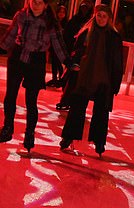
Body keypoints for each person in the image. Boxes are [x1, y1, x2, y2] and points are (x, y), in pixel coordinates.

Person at [0, 0, 68, 152]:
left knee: (31, 101)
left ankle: (29, 133)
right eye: (33, 1)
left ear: (45, 5)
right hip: (18, 57)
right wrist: (2, 47)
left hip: (36, 61)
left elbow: (58, 44)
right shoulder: (21, 16)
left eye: (39, 2)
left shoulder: (50, 22)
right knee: (10, 95)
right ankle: (7, 128)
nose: (35, 5)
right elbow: (11, 34)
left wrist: (68, 62)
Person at [58, 4, 123, 157]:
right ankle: (67, 138)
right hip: (84, 77)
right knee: (77, 109)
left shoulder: (114, 37)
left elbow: (118, 62)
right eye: (99, 15)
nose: (101, 19)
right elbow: (76, 52)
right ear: (95, 16)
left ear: (109, 19)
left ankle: (99, 143)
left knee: (101, 113)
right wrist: (73, 64)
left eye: (104, 16)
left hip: (103, 80)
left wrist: (116, 83)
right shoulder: (86, 32)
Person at [55, 0, 93, 111]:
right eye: (83, 8)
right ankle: (66, 100)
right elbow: (67, 36)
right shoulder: (77, 21)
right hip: (76, 54)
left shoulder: (90, 24)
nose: (84, 10)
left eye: (86, 8)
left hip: (82, 56)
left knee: (76, 81)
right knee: (71, 79)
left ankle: (70, 102)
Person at [46, 4, 67, 88]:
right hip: (53, 46)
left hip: (60, 47)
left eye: (63, 12)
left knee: (59, 63)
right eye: (60, 12)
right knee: (54, 63)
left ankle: (61, 79)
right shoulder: (54, 22)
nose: (61, 14)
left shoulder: (66, 23)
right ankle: (54, 78)